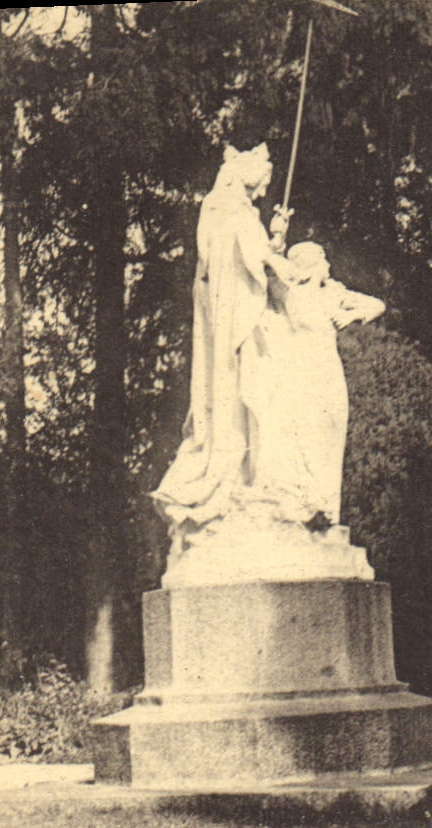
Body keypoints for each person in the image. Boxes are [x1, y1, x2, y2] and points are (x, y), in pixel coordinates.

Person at [151, 143, 305, 550]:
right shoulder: (226, 209)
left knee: (258, 397)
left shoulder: (228, 209)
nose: (260, 192)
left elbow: (251, 256)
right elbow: (247, 257)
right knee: (252, 395)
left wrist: (273, 242)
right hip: (238, 322)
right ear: (242, 175)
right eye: (259, 183)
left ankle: (261, 478)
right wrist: (277, 261)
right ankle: (246, 481)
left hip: (240, 318)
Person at [244, 241, 385, 529]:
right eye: (321, 258)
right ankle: (305, 505)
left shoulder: (334, 293)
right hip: (299, 373)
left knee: (331, 431)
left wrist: (352, 315)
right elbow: (261, 270)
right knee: (305, 434)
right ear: (307, 265)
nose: (327, 263)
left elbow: (376, 305)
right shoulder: (288, 293)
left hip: (328, 371)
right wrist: (276, 240)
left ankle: (328, 509)